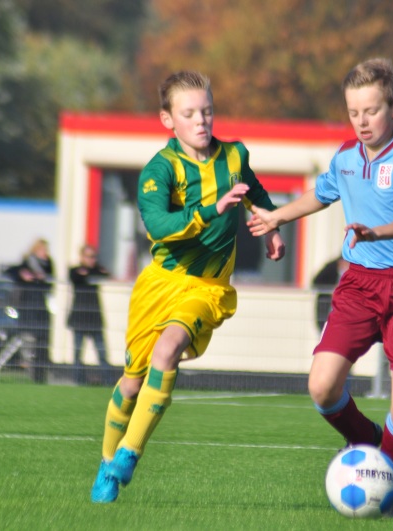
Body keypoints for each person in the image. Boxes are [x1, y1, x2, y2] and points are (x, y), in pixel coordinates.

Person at [249, 58, 393, 517]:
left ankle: (382, 486)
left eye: (371, 111)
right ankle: (366, 441)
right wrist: (276, 216)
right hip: (358, 286)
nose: (361, 122)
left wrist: (379, 231)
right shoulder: (345, 157)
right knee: (321, 387)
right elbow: (322, 193)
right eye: (354, 113)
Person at [90, 70, 285, 503]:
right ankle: (107, 464)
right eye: (189, 113)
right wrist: (212, 208)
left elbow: (254, 191)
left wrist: (270, 226)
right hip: (159, 285)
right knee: (130, 385)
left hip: (207, 288)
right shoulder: (158, 171)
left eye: (207, 111)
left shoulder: (233, 156)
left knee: (169, 348)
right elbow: (159, 226)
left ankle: (129, 454)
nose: (201, 121)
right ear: (167, 120)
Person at [4, 238, 54, 384]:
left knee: (42, 344)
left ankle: (41, 375)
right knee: (29, 342)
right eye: (42, 250)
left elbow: (50, 282)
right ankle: (31, 373)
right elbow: (11, 272)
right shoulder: (26, 263)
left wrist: (42, 278)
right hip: (28, 308)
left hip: (41, 309)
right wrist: (23, 276)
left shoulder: (49, 264)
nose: (44, 253)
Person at [68, 244, 111, 385]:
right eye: (89, 256)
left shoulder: (96, 270)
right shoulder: (74, 270)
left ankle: (107, 381)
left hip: (95, 319)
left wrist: (90, 273)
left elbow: (105, 274)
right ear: (82, 257)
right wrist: (89, 274)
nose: (92, 260)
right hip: (79, 318)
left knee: (102, 353)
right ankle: (78, 381)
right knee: (77, 353)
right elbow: (75, 276)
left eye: (94, 257)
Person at [311, 256, 349, 332]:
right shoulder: (330, 268)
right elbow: (316, 282)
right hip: (328, 309)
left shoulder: (354, 273)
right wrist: (331, 290)